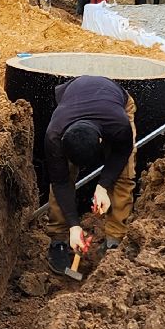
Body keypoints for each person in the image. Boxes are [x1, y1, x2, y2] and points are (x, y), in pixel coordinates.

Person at [44, 74, 136, 268]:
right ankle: (59, 238)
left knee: (124, 174)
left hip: (115, 101)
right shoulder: (54, 135)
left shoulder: (119, 125)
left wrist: (103, 186)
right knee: (63, 174)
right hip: (72, 100)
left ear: (102, 142)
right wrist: (74, 225)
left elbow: (121, 153)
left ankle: (114, 240)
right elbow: (60, 182)